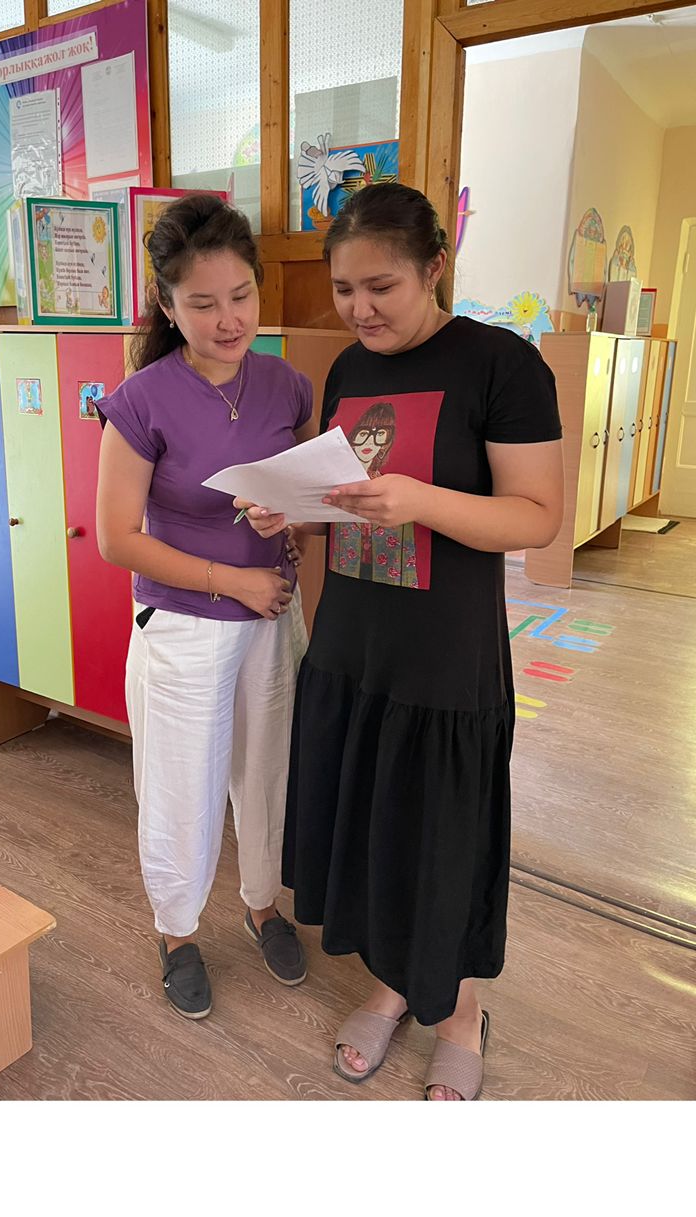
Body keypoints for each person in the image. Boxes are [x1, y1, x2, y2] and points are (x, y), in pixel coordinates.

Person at [241, 182, 563, 1099]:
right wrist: (294, 513)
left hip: (443, 659)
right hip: (353, 645)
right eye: (345, 289)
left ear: (434, 268)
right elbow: (348, 499)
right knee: (374, 829)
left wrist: (420, 500)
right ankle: (391, 986)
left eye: (381, 286)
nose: (360, 308)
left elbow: (537, 517)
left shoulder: (503, 365)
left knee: (441, 840)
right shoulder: (350, 371)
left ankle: (458, 1012)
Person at [93, 192, 312, 1021]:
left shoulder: (286, 384)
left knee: (268, 771)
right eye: (204, 303)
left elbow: (304, 495)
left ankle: (263, 905)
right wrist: (231, 580)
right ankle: (177, 931)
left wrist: (288, 520)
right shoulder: (142, 399)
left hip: (272, 615)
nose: (229, 320)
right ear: (167, 304)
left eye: (242, 296)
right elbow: (116, 539)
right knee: (182, 786)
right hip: (186, 625)